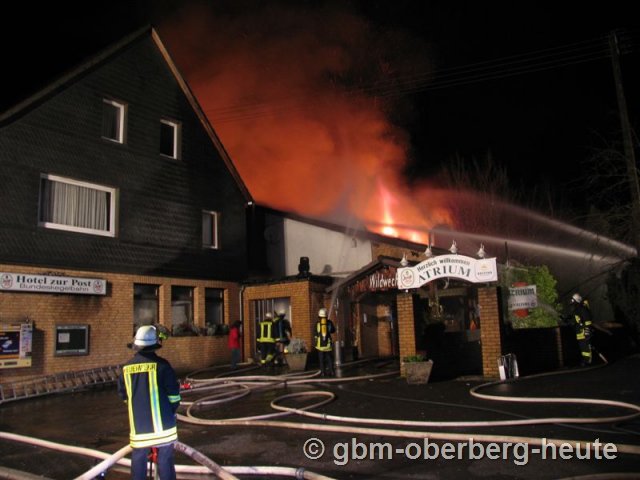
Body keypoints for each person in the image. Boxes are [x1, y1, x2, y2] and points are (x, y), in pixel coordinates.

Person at [118, 325, 181, 480]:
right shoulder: (163, 366)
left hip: (139, 428)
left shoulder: (125, 369)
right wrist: (170, 412)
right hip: (164, 428)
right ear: (154, 344)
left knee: (138, 461)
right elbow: (174, 396)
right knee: (165, 460)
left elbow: (124, 397)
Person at [570, 293, 593, 366]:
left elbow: (588, 321)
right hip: (580, 333)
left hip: (583, 332)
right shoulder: (576, 309)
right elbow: (575, 321)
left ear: (576, 300)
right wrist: (567, 320)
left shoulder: (582, 308)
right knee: (582, 347)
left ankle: (588, 361)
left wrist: (587, 332)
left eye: (573, 300)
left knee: (585, 347)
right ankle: (585, 360)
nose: (571, 301)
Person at [314, 308, 336, 376]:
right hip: (328, 345)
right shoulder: (329, 323)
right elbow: (333, 330)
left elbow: (315, 334)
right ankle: (332, 371)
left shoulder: (317, 324)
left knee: (321, 359)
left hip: (320, 346)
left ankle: (323, 372)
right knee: (329, 358)